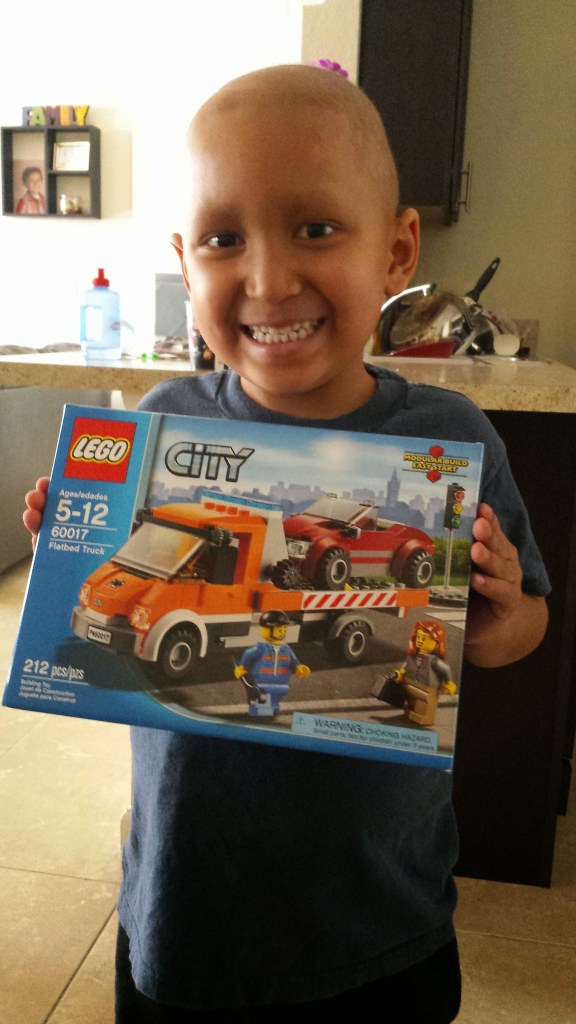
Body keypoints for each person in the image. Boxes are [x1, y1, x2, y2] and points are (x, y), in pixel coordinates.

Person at [23, 64, 550, 1023]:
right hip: (185, 907)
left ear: (397, 252)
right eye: (224, 239)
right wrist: (69, 538)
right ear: (186, 265)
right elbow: (107, 589)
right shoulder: (161, 420)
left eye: (314, 227)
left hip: (379, 923)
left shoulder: (450, 439)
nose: (267, 280)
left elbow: (522, 633)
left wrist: (499, 613)